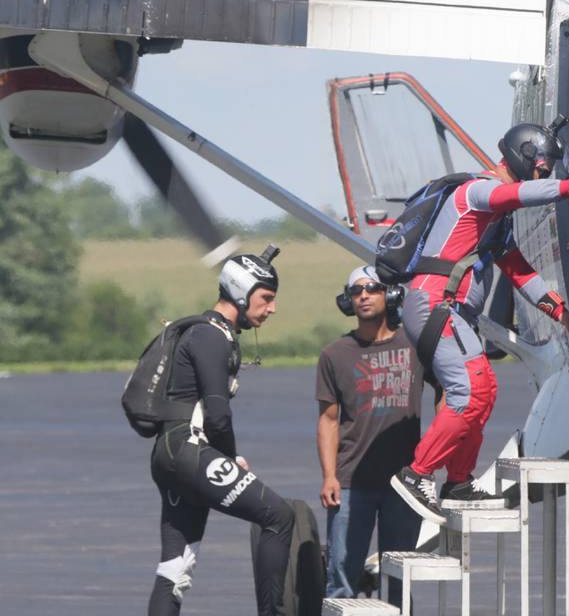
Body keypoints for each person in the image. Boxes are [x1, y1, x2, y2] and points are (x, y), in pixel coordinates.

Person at [390, 122, 569, 524]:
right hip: (436, 305)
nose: (545, 174)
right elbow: (514, 194)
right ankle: (417, 474)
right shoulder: (478, 192)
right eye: (542, 166)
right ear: (522, 155)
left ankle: (458, 483)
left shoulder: (495, 222)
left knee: (482, 391)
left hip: (451, 312)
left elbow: (517, 270)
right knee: (469, 392)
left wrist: (560, 312)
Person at [148, 251, 294, 616]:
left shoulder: (206, 333)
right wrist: (231, 458)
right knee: (279, 516)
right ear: (242, 293)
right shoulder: (211, 337)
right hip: (188, 450)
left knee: (175, 569)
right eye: (267, 298)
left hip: (171, 453)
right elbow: (218, 414)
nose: (272, 308)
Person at [316, 265, 441, 606]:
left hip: (404, 484)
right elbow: (328, 420)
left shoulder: (415, 344)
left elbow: (446, 389)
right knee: (341, 580)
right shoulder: (334, 355)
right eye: (356, 292)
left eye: (371, 288)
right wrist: (329, 477)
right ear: (347, 300)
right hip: (351, 481)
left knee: (399, 580)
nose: (364, 296)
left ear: (390, 294)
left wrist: (436, 449)